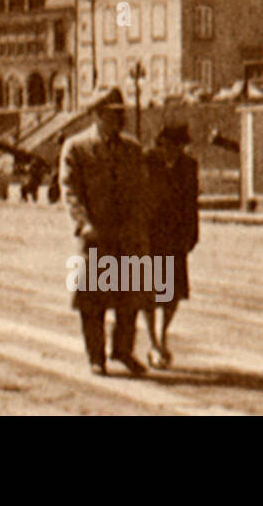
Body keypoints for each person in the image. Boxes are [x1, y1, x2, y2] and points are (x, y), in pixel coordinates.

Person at [59, 87, 151, 376]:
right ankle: (96, 356)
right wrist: (83, 223)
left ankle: (123, 350)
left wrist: (140, 225)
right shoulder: (77, 147)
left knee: (131, 297)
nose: (119, 119)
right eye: (112, 115)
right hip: (96, 233)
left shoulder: (132, 149)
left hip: (126, 235)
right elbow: (70, 190)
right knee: (92, 299)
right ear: (96, 115)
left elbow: (141, 190)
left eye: (120, 114)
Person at [142, 122, 199, 370]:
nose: (174, 152)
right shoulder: (147, 162)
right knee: (148, 292)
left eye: (179, 147)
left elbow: (191, 202)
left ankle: (163, 334)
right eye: (168, 146)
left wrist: (193, 234)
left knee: (173, 293)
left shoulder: (188, 166)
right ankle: (153, 341)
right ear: (160, 145)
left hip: (175, 236)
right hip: (150, 235)